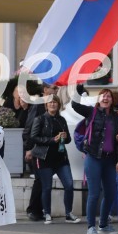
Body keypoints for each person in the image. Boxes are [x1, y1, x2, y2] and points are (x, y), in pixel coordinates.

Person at [71, 88, 118, 234]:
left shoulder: (115, 117)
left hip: (109, 159)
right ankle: (90, 226)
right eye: (103, 96)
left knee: (111, 193)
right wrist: (79, 91)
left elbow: (117, 138)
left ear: (112, 100)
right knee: (94, 193)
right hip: (93, 157)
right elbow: (74, 105)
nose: (106, 98)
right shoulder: (91, 112)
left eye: (109, 96)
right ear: (99, 99)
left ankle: (104, 225)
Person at [30, 94, 79, 223]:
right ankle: (47, 213)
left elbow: (68, 139)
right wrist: (52, 139)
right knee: (47, 187)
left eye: (55, 102)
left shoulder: (61, 120)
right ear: (46, 105)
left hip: (61, 158)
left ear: (58, 105)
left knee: (69, 185)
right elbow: (34, 137)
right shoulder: (40, 119)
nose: (53, 104)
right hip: (44, 158)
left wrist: (64, 136)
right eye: (50, 102)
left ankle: (69, 213)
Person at [23, 82, 58, 222]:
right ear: (45, 90)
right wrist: (28, 149)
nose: (57, 90)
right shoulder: (38, 106)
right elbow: (28, 129)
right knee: (40, 180)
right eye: (54, 88)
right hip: (36, 150)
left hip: (48, 151)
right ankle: (33, 209)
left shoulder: (55, 105)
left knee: (44, 180)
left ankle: (40, 209)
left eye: (57, 88)